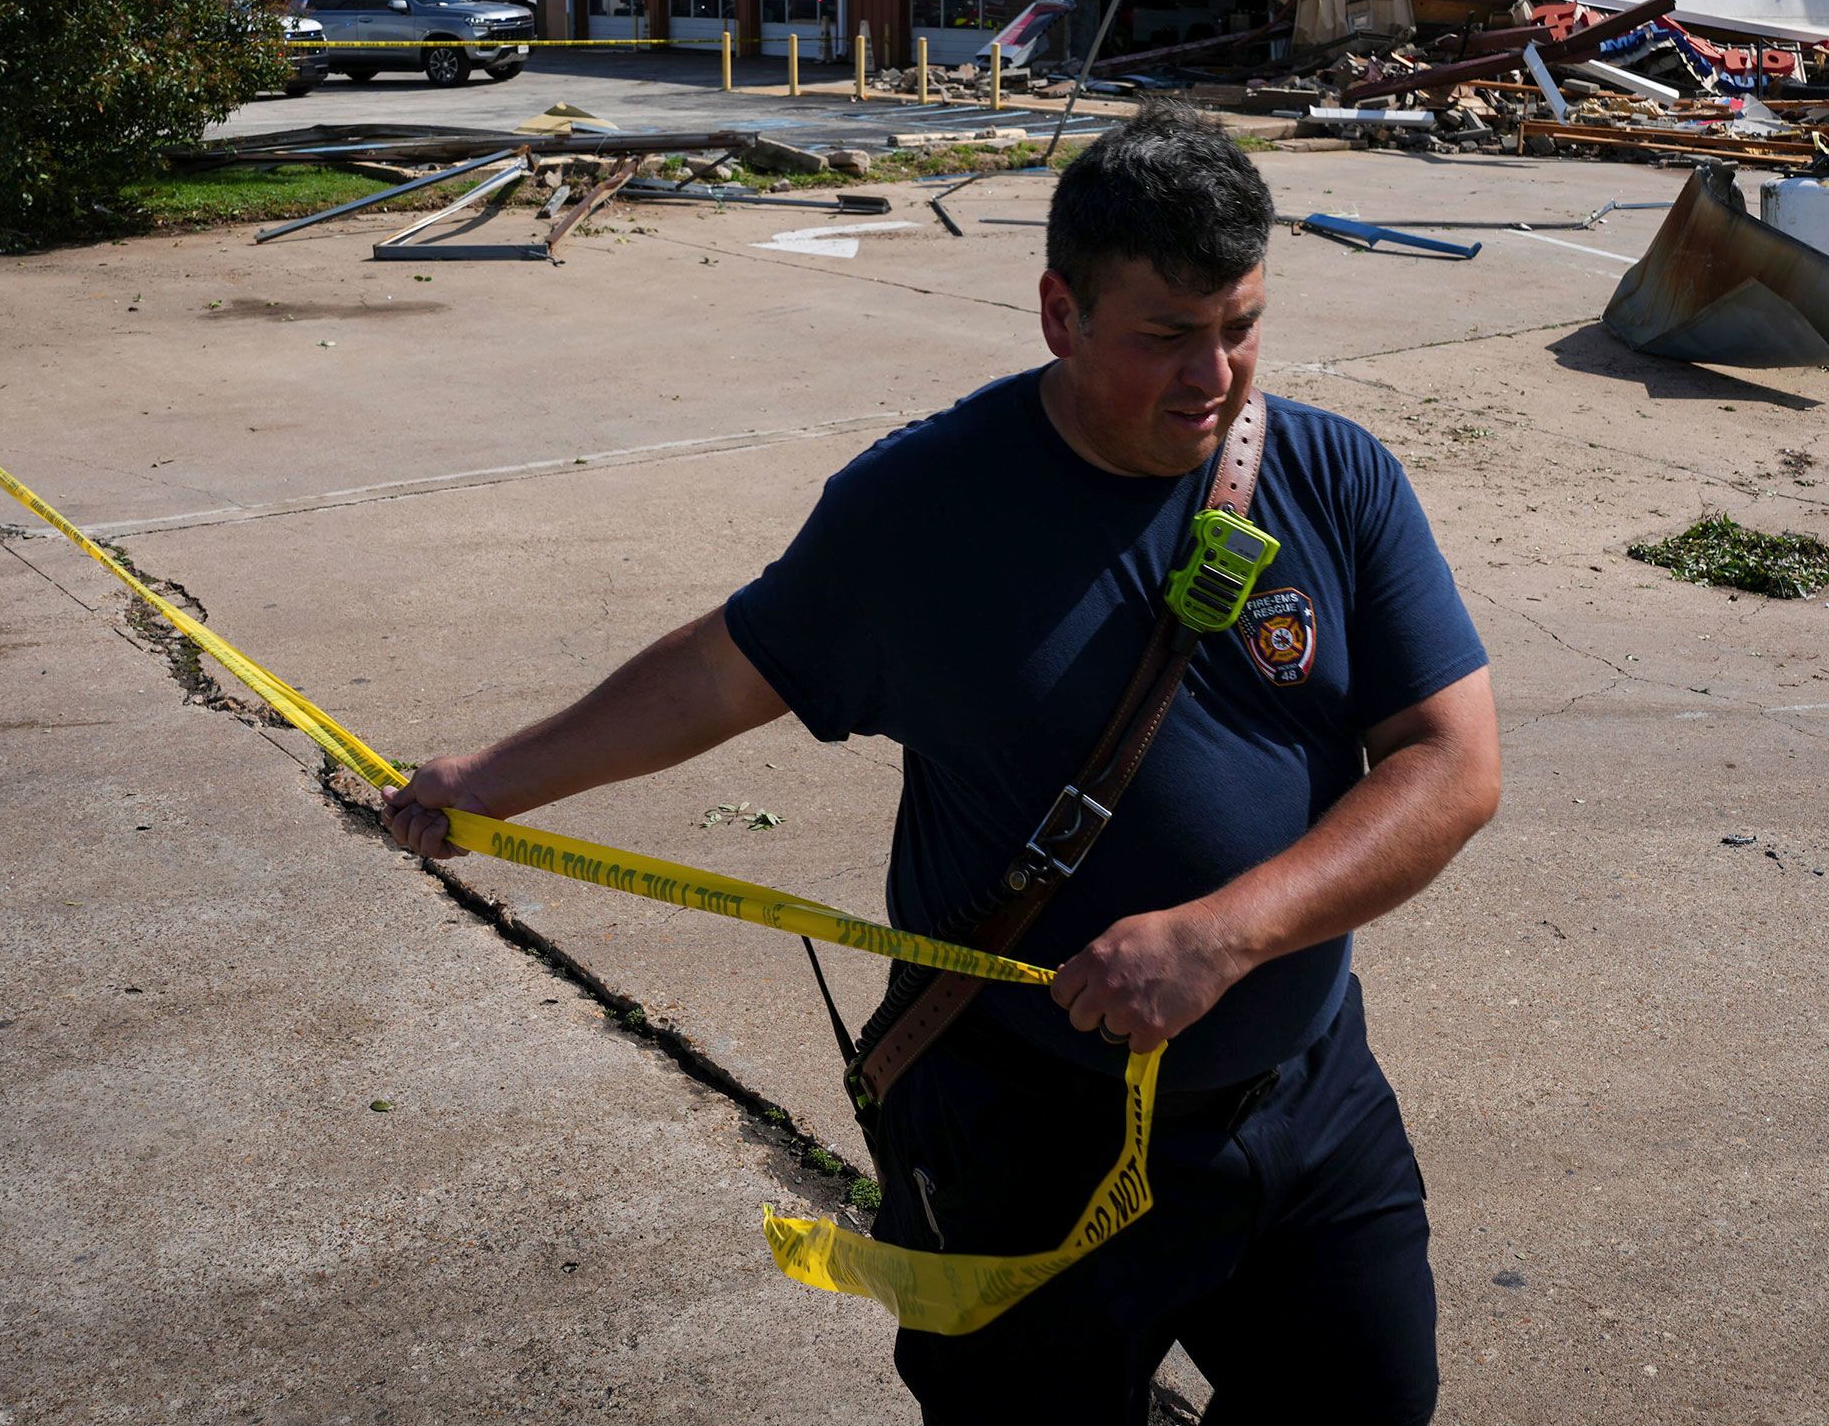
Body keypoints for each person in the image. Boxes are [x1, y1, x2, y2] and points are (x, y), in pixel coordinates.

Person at [385, 106, 1501, 1423]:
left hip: (1308, 1103)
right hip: (1028, 1138)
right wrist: (493, 783)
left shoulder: (1332, 475)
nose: (1216, 375)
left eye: (1241, 325)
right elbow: (717, 673)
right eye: (1165, 336)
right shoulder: (922, 513)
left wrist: (1230, 935)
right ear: (1059, 315)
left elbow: (1451, 764)